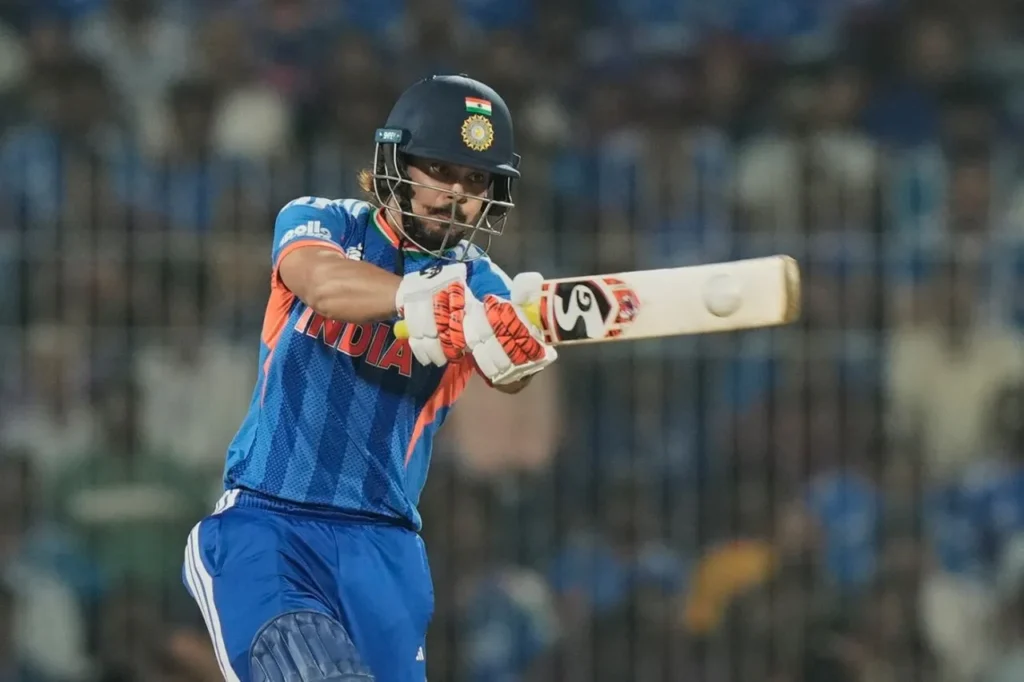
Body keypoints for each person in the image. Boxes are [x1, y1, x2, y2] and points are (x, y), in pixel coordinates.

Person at [181, 74, 557, 682]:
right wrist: (416, 296)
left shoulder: (483, 283)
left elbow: (508, 373)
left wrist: (519, 356)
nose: (455, 195)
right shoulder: (323, 221)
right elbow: (321, 283)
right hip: (270, 528)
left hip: (386, 554)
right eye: (440, 170)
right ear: (396, 164)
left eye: (475, 181)